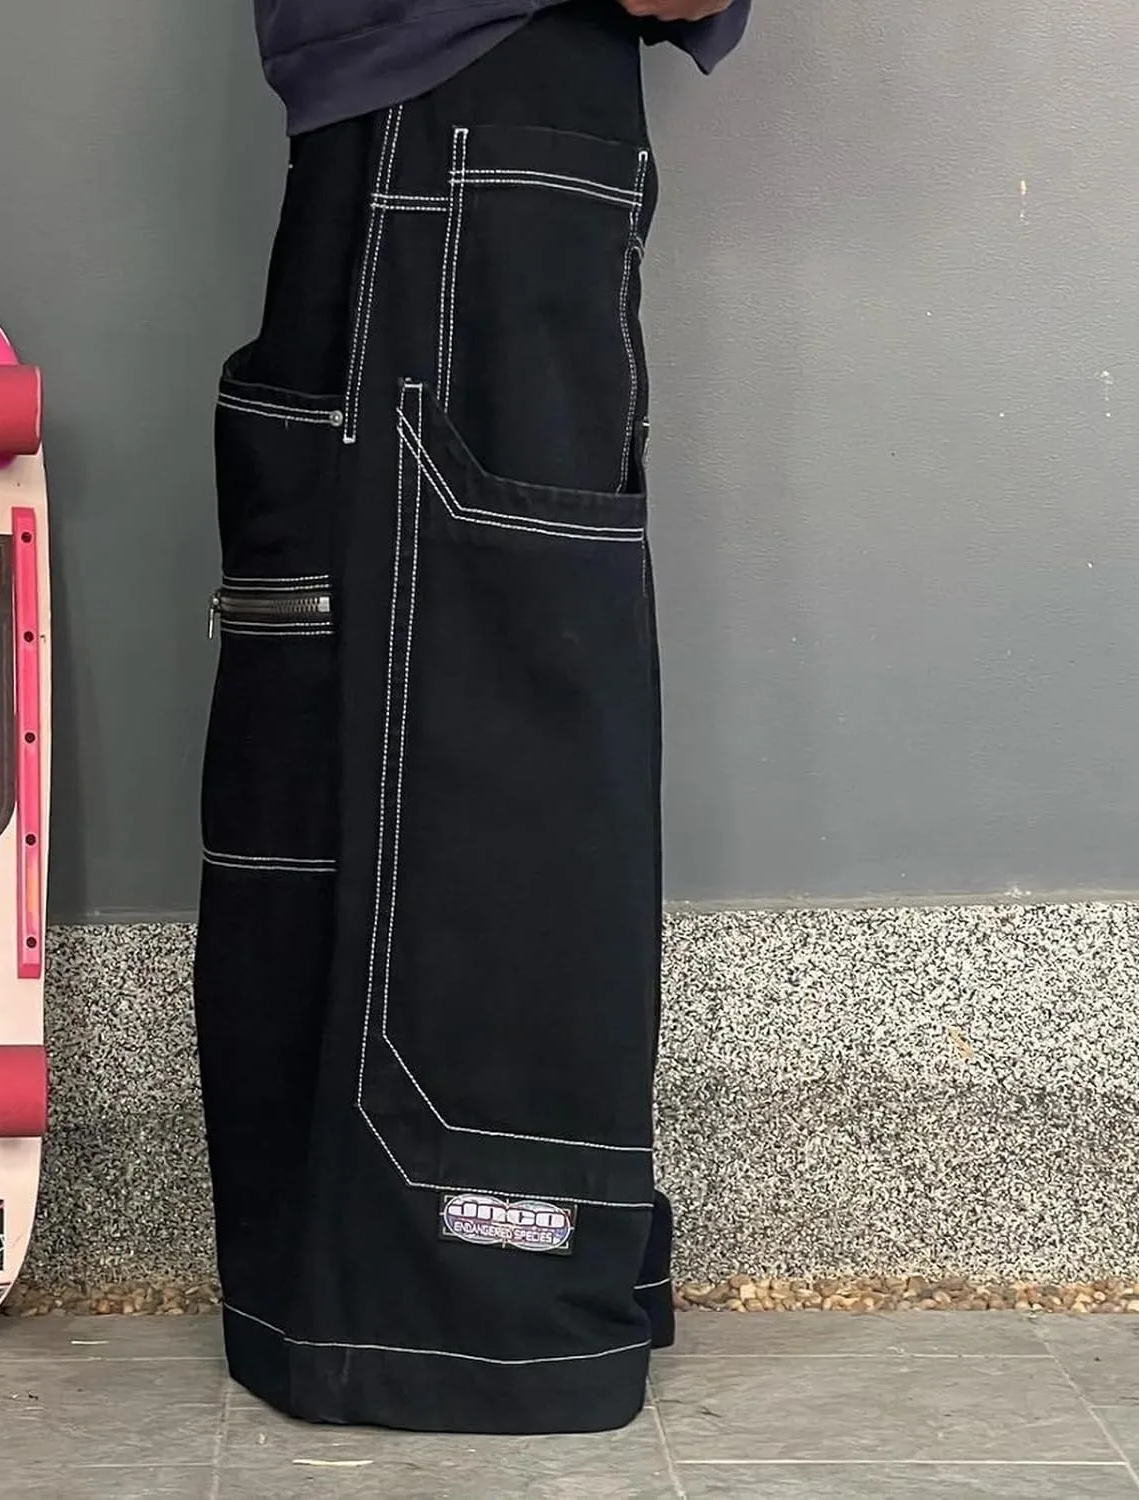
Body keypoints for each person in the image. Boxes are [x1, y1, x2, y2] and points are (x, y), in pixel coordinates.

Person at [195, 0, 751, 1436]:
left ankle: (445, 1285)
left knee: (445, 684)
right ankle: (455, 1287)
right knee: (467, 693)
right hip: (454, 131)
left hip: (449, 133)